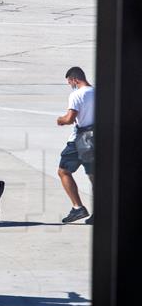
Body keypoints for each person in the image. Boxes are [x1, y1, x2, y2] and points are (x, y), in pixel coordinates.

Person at [56, 66, 95, 224]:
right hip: (98, 138)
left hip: (80, 140)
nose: (70, 85)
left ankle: (78, 207)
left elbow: (71, 118)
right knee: (94, 176)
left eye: (70, 82)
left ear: (74, 79)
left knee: (63, 171)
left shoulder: (77, 95)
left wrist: (61, 120)